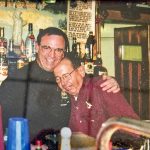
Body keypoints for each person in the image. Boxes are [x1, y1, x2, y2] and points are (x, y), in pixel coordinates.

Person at [0, 27, 120, 140]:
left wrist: (112, 80)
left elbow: (88, 81)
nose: (52, 55)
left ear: (63, 52)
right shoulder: (16, 80)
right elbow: (5, 127)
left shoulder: (66, 77)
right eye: (47, 48)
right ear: (37, 47)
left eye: (58, 50)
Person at [53, 57, 139, 138]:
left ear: (81, 71)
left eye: (66, 76)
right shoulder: (67, 100)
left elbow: (134, 128)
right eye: (58, 79)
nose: (63, 83)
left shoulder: (103, 88)